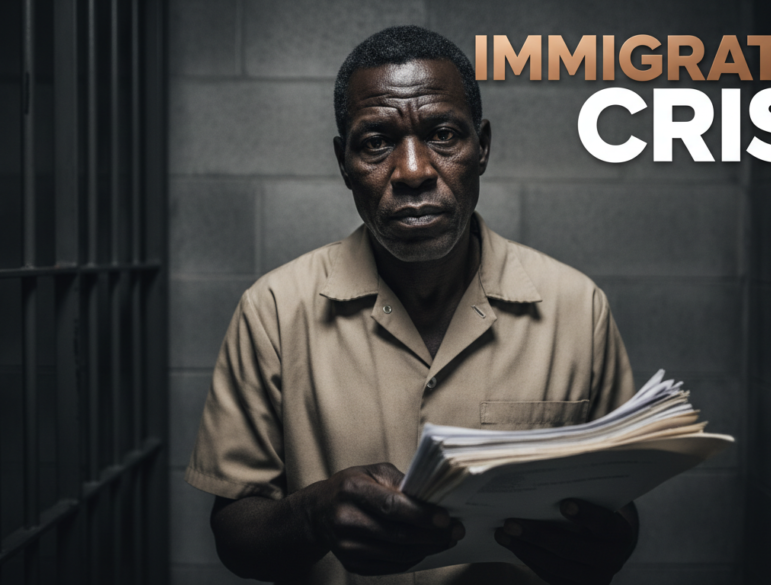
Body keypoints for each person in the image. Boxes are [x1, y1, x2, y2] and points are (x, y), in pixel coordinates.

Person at [186, 25, 639, 585]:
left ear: (484, 148)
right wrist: (314, 515)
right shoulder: (273, 310)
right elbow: (235, 533)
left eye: (443, 134)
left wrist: (596, 545)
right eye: (376, 141)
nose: (414, 171)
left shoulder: (578, 306)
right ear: (343, 162)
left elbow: (620, 513)